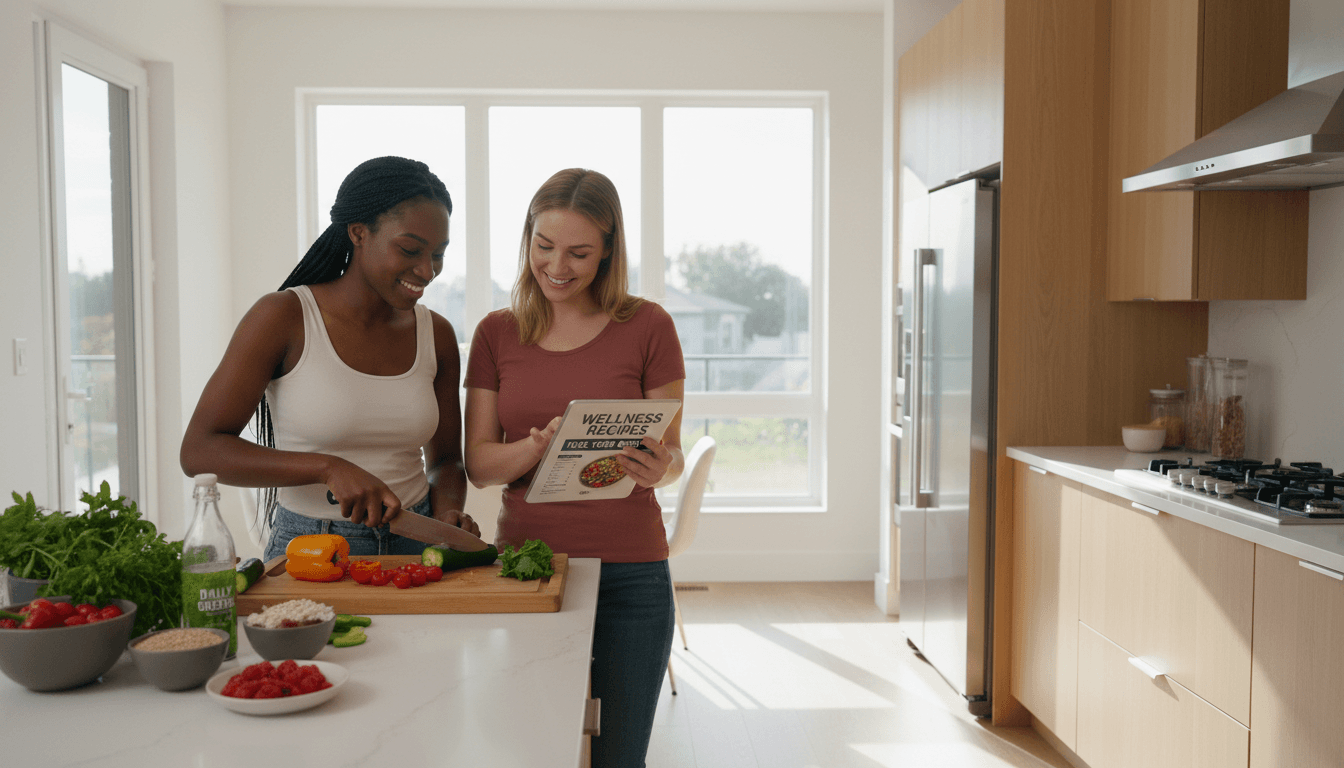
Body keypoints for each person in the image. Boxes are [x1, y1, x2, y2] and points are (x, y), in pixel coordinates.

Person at [463, 168, 685, 767]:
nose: (558, 265)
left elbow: (673, 457)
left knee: (620, 757)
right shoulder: (496, 333)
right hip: (530, 572)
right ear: (527, 239)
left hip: (632, 575)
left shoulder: (649, 326)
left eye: (579, 252)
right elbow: (480, 465)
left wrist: (656, 465)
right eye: (544, 246)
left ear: (608, 250)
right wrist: (536, 447)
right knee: (537, 749)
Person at [180, 155, 476, 560]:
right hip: (310, 548)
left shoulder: (436, 333)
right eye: (410, 249)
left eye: (438, 254)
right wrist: (328, 468)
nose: (427, 271)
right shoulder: (283, 318)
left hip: (419, 542)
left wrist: (447, 515)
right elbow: (199, 451)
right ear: (358, 232)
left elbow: (445, 461)